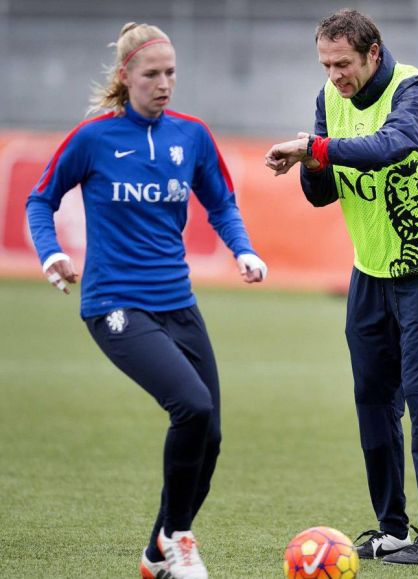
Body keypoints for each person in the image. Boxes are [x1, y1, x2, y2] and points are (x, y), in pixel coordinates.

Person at [25, 22, 267, 579]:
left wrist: (243, 250)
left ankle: (158, 553)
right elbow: (41, 199)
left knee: (212, 434)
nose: (164, 84)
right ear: (125, 76)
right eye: (152, 74)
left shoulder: (192, 136)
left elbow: (222, 203)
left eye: (171, 73)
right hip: (115, 304)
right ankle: (179, 538)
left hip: (177, 303)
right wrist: (50, 253)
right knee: (193, 405)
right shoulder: (93, 139)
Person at [263, 9, 418, 566]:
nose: (335, 76)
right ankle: (393, 528)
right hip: (370, 271)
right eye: (327, 65)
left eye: (344, 64)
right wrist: (310, 163)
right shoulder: (328, 99)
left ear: (373, 52)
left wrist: (314, 148)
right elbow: (322, 193)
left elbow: (390, 147)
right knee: (373, 402)